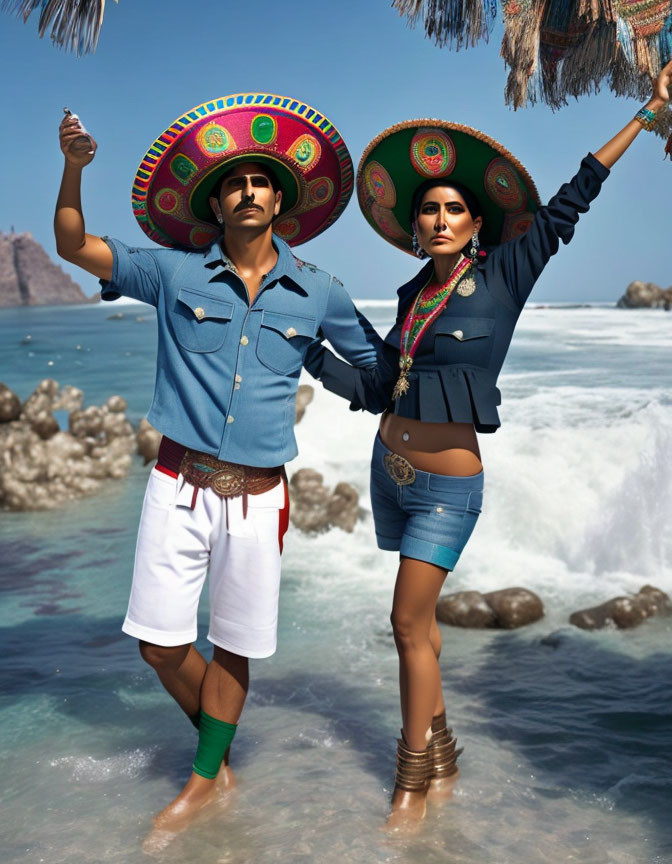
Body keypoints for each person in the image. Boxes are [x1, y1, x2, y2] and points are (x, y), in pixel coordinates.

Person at [315, 62, 672, 831]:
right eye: (430, 212)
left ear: (477, 224)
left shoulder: (507, 273)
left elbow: (578, 193)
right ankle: (442, 761)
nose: (440, 219)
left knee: (407, 623)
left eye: (454, 210)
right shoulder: (412, 296)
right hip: (390, 473)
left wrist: (648, 116)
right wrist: (306, 352)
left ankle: (409, 784)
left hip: (449, 486)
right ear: (416, 227)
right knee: (425, 628)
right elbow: (380, 384)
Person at [54, 93, 382, 836]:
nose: (248, 191)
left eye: (261, 181)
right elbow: (74, 246)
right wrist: (73, 171)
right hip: (176, 485)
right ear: (216, 199)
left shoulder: (320, 290)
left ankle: (207, 776)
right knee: (160, 644)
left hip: (260, 497)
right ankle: (219, 745)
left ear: (282, 199)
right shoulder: (172, 274)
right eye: (234, 183)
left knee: (235, 645)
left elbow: (381, 368)